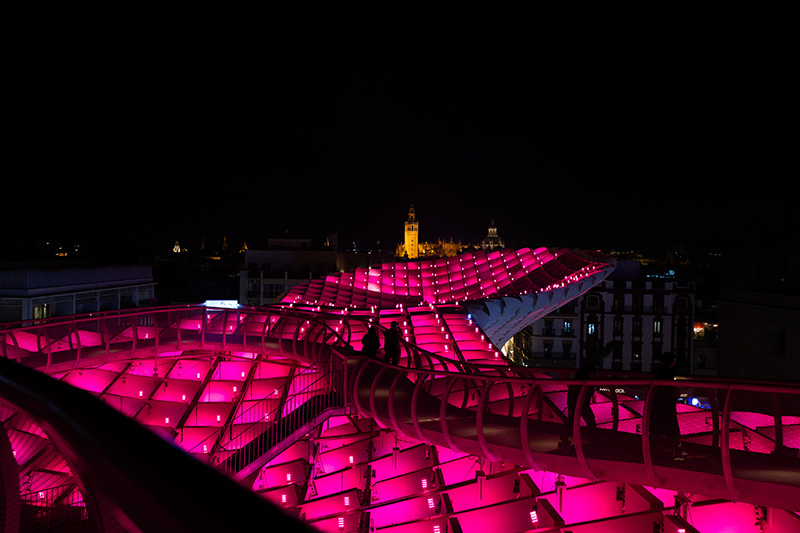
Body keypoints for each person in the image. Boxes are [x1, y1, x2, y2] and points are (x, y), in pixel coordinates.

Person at [650, 352, 685, 460]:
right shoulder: (669, 372)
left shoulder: (659, 371)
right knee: (672, 428)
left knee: (659, 427)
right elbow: (668, 389)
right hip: (667, 405)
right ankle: (676, 449)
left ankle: (657, 450)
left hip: (658, 405)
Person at [559, 360, 597, 447]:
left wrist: (571, 406)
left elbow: (572, 394)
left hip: (577, 404)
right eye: (593, 374)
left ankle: (564, 436)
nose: (594, 376)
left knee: (572, 421)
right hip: (581, 404)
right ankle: (593, 438)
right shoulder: (586, 383)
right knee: (590, 420)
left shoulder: (579, 381)